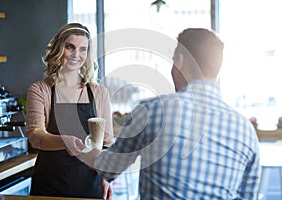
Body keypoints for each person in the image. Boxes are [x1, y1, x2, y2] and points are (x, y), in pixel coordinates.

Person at [80, 28, 261, 199]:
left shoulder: (152, 111)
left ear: (180, 61)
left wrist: (87, 147)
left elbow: (108, 168)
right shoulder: (246, 131)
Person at [25, 23, 114, 199]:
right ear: (59, 49)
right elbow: (35, 136)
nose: (76, 55)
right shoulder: (40, 90)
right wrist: (64, 141)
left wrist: (106, 176)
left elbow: (107, 143)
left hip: (89, 186)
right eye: (70, 47)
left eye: (83, 49)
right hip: (50, 186)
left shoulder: (99, 92)